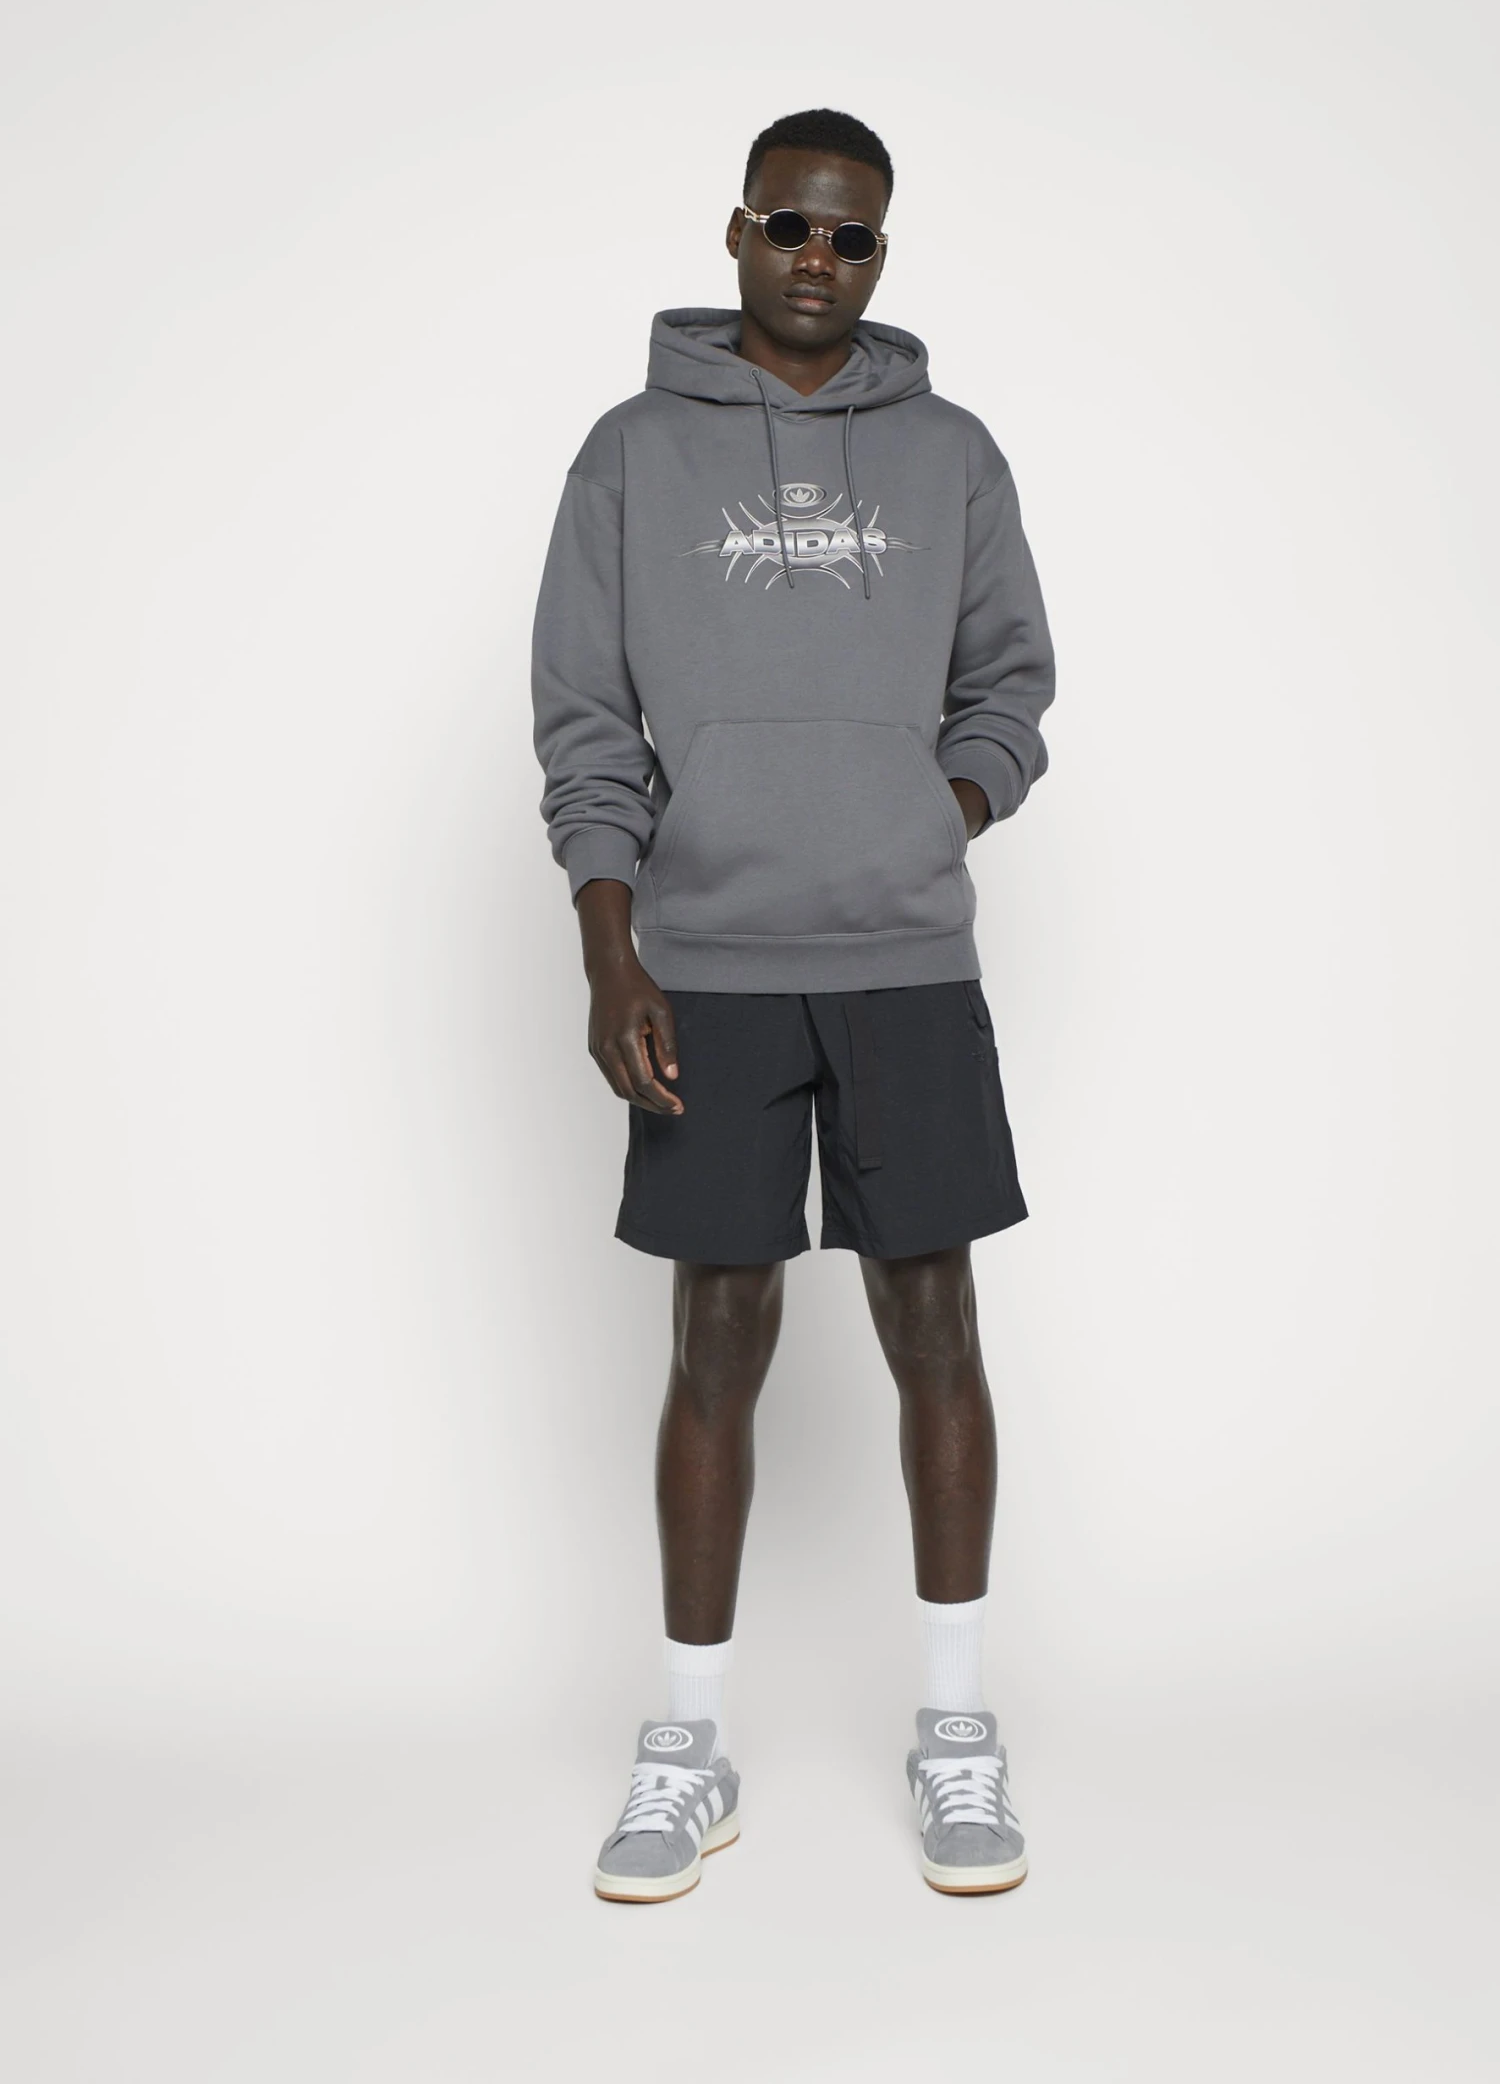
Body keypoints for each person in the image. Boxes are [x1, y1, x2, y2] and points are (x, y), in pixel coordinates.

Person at [530, 107, 1056, 1902]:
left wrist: (935, 809)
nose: (819, 259)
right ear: (738, 231)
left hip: (905, 955)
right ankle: (689, 1744)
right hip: (710, 966)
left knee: (937, 1325)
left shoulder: (953, 453)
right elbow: (585, 721)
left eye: (853, 236)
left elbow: (1010, 684)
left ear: (881, 252)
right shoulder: (630, 454)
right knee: (715, 1339)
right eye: (790, 227)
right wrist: (611, 950)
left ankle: (956, 1725)